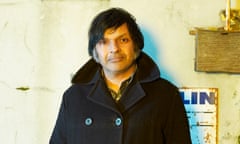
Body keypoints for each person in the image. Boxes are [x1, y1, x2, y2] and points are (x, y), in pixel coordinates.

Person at [50, 7, 192, 144]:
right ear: (95, 50)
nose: (114, 49)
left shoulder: (165, 95)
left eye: (123, 40)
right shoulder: (74, 97)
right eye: (104, 42)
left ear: (135, 45)